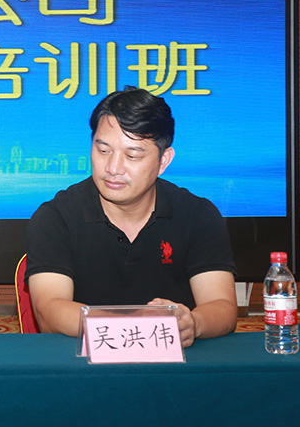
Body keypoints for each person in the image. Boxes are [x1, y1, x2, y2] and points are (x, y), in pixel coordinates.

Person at [26, 87, 237, 347]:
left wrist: (193, 323)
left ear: (164, 160)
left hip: (175, 362)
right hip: (81, 360)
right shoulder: (56, 217)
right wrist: (137, 327)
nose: (113, 168)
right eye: (103, 151)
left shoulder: (197, 215)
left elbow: (223, 307)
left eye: (132, 155)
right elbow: (49, 311)